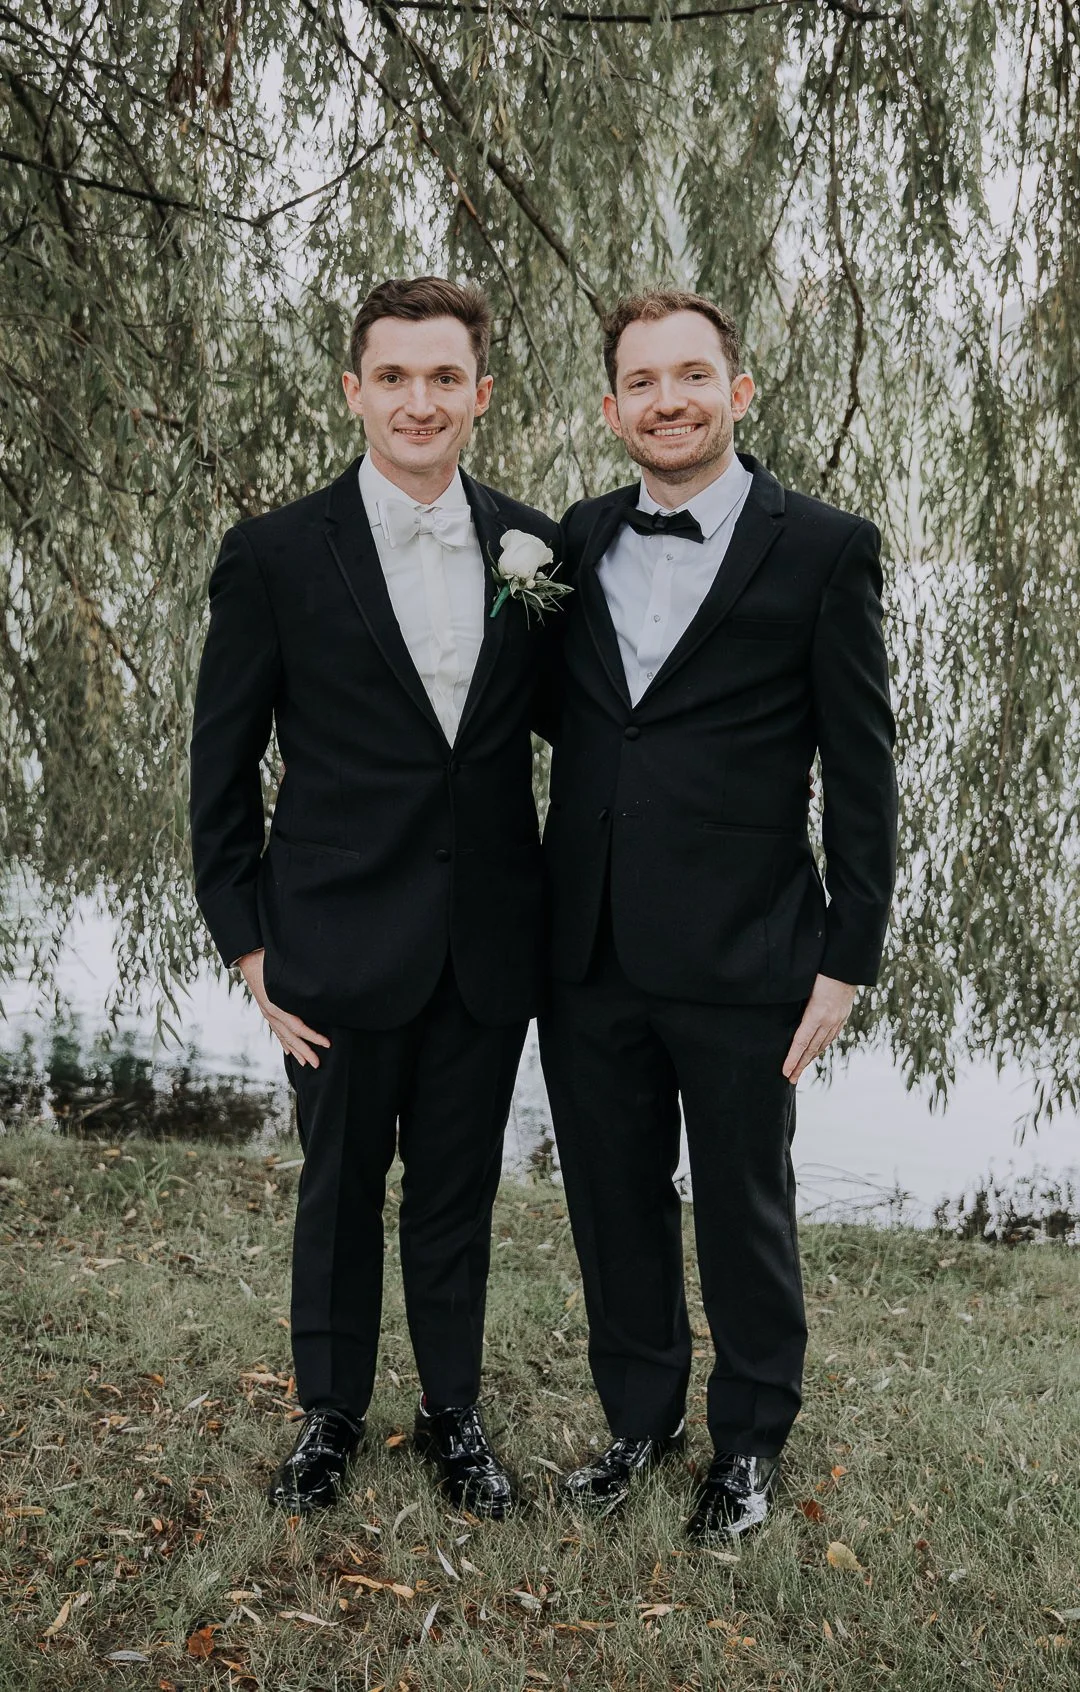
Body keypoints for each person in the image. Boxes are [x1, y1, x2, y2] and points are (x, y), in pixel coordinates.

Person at [189, 276, 561, 1516]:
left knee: (456, 1193)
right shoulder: (275, 554)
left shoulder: (532, 549)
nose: (419, 401)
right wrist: (249, 949)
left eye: (444, 378)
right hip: (333, 947)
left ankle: (453, 1415)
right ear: (354, 391)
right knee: (340, 1189)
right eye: (393, 377)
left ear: (481, 396)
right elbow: (221, 769)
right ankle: (330, 1416)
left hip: (486, 945)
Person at [539, 290, 898, 1539]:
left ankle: (746, 1447)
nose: (669, 400)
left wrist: (846, 958)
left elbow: (862, 770)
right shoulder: (572, 543)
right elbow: (570, 722)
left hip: (748, 949)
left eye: (693, 376)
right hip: (583, 948)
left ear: (739, 393)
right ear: (613, 409)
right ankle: (639, 1420)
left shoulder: (824, 548)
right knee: (611, 1200)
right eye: (643, 383)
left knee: (745, 1205)